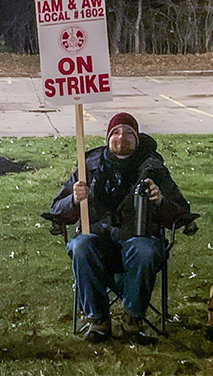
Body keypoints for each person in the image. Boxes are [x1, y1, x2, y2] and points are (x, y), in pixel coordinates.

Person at [50, 112, 191, 343]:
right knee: (80, 246)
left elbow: (181, 212)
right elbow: (57, 208)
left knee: (145, 249)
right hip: (97, 243)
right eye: (115, 132)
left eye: (128, 133)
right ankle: (98, 321)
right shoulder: (88, 168)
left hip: (138, 241)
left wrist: (160, 201)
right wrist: (73, 200)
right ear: (107, 138)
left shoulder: (153, 169)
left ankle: (132, 320)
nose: (121, 137)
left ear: (137, 139)